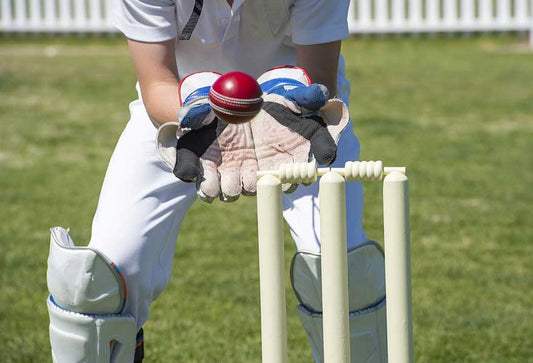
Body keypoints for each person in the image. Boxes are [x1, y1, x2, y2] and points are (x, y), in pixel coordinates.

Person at [45, 0, 387, 362]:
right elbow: (157, 80)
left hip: (297, 118)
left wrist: (281, 106)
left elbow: (318, 81)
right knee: (94, 284)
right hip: (181, 113)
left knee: (342, 277)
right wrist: (196, 111)